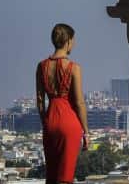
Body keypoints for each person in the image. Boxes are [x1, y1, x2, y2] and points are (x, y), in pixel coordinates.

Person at [36, 23, 90, 184]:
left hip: (50, 122)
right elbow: (80, 102)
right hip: (69, 123)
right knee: (65, 177)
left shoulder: (41, 66)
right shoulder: (74, 68)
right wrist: (86, 131)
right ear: (68, 42)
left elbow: (40, 100)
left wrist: (45, 122)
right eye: (73, 41)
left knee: (51, 175)